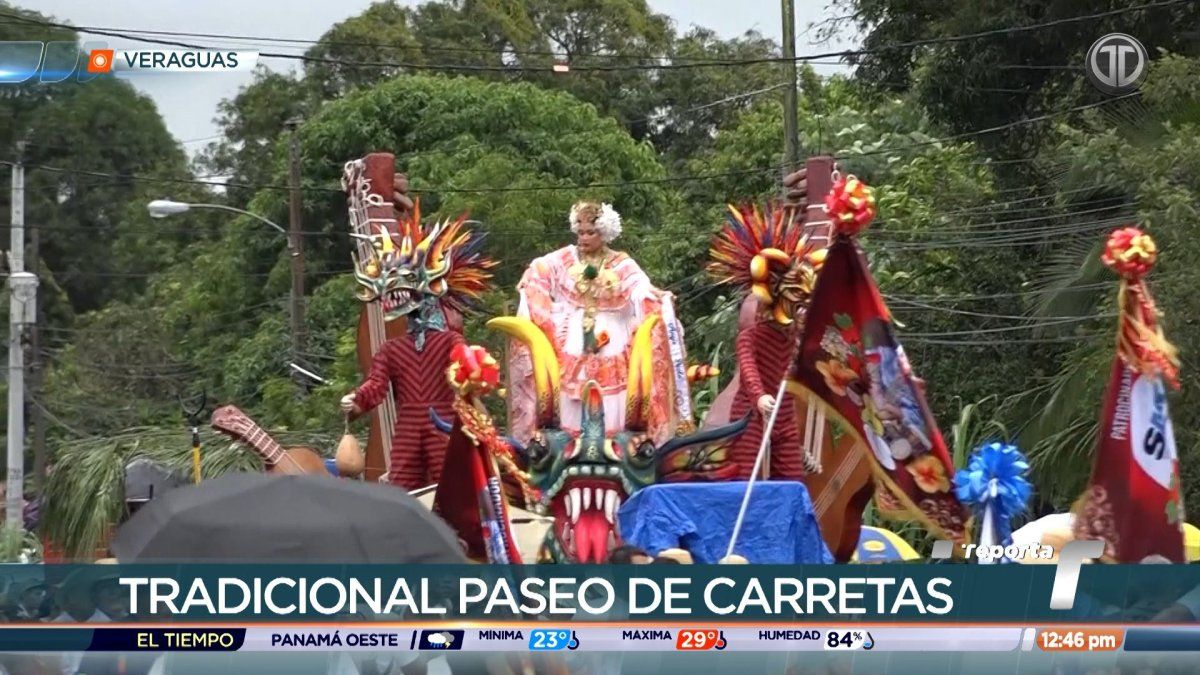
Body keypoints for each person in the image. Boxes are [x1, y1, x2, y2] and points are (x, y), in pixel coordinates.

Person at [508, 201, 691, 445]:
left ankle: (614, 445)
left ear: (604, 233)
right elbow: (542, 267)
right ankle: (568, 445)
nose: (583, 238)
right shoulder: (567, 257)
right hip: (575, 334)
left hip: (611, 333)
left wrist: (657, 295)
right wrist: (529, 278)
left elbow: (639, 287)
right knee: (566, 387)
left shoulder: (620, 262)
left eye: (590, 232)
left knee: (615, 389)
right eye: (580, 232)